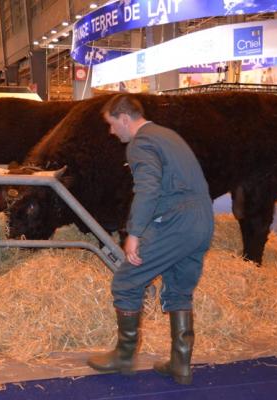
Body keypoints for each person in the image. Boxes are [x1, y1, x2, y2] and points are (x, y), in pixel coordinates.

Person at [87, 94, 214, 385]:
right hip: (202, 220)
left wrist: (135, 233)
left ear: (124, 118)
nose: (111, 131)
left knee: (127, 280)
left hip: (176, 221)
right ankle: (181, 365)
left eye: (111, 124)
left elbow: (147, 190)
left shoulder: (140, 143)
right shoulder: (168, 135)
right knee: (179, 289)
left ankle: (124, 355)